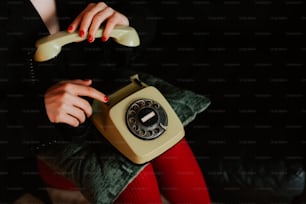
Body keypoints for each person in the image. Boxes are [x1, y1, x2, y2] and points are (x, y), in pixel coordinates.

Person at [0, 0, 211, 203]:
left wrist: (126, 21)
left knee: (166, 140)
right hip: (49, 131)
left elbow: (146, 16)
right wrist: (39, 112)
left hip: (113, 91)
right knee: (129, 172)